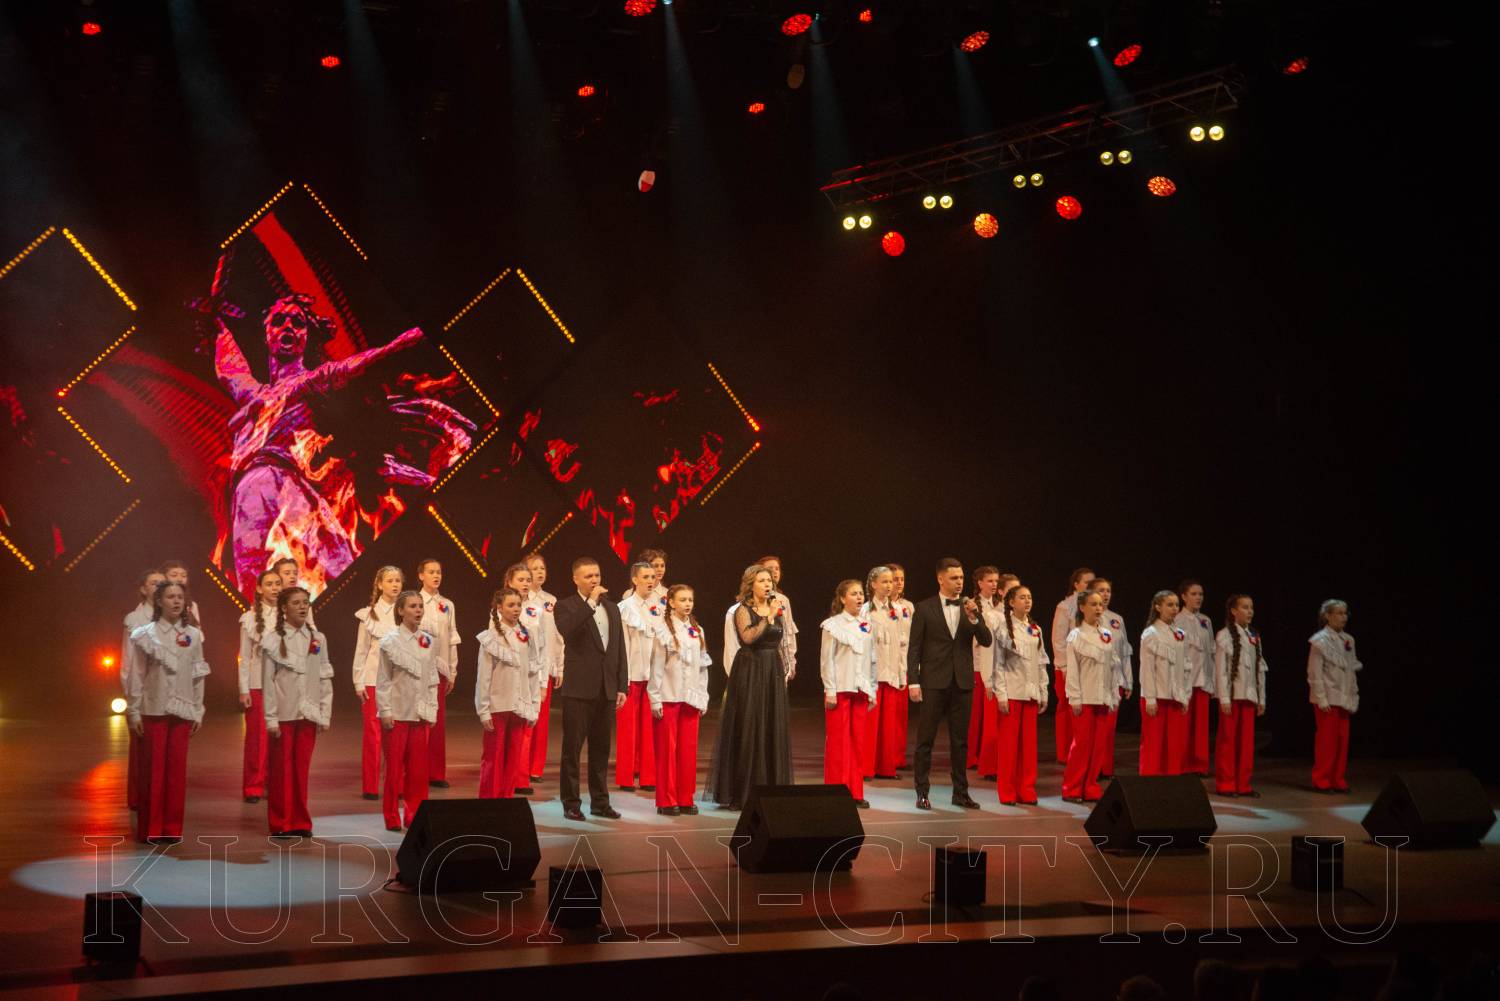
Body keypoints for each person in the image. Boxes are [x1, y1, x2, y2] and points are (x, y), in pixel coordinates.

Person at [211, 294, 432, 594]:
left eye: (297, 322)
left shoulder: (312, 380)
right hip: (255, 486)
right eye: (279, 321)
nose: (288, 327)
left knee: (340, 569)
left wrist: (408, 340)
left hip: (292, 486)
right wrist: (216, 321)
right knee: (261, 583)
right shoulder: (254, 394)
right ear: (267, 334)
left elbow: (358, 364)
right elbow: (229, 367)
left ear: (306, 336)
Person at [125, 581, 208, 844]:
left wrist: (198, 709)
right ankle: (151, 828)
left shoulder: (193, 634)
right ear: (159, 601)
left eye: (180, 597)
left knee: (176, 772)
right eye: (170, 597)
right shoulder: (145, 634)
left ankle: (171, 829)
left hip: (182, 709)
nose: (176, 601)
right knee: (154, 772)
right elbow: (137, 674)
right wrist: (133, 711)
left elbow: (198, 674)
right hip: (154, 708)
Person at [908, 557, 992, 810]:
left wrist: (975, 618)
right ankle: (922, 792)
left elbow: (986, 640)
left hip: (962, 682)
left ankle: (961, 793)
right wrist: (913, 681)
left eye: (962, 578)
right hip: (933, 681)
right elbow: (914, 648)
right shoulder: (924, 608)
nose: (959, 582)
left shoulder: (970, 606)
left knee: (960, 741)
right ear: (940, 579)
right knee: (925, 740)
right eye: (954, 578)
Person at [707, 564, 794, 810]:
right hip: (750, 670)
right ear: (750, 585)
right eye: (762, 581)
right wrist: (768, 616)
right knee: (750, 726)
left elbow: (780, 640)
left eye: (769, 581)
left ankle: (770, 791)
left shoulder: (777, 608)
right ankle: (743, 792)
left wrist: (786, 667)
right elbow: (748, 637)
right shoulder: (742, 610)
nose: (767, 585)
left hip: (772, 670)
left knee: (770, 726)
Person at [552, 557, 628, 821]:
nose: (594, 580)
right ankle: (571, 803)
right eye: (588, 576)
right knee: (572, 751)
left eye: (597, 575)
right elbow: (568, 630)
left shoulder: (612, 608)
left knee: (601, 750)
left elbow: (618, 648)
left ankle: (600, 803)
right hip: (579, 689)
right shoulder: (566, 606)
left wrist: (621, 684)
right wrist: (591, 603)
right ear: (575, 579)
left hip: (606, 689)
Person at [260, 586, 332, 837]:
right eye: (296, 603)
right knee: (281, 771)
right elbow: (268, 681)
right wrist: (271, 717)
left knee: (301, 770)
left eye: (305, 602)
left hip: (307, 714)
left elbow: (324, 676)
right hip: (284, 714)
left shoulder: (317, 638)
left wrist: (324, 712)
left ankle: (300, 821)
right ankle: (280, 822)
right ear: (284, 608)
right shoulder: (273, 639)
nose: (302, 607)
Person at [375, 590, 439, 831]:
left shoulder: (428, 640)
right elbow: (383, 679)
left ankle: (415, 816)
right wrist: (385, 710)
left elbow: (431, 677)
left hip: (420, 714)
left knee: (418, 772)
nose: (418, 610)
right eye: (413, 606)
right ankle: (391, 816)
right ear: (401, 610)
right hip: (398, 713)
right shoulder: (390, 641)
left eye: (420, 606)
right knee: (393, 771)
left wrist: (432, 707)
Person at [649, 584, 712, 816]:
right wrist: (655, 698)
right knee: (667, 751)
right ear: (672, 603)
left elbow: (703, 666)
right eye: (683, 600)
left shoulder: (697, 630)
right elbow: (656, 666)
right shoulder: (663, 630)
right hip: (669, 696)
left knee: (688, 750)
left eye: (690, 600)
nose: (687, 604)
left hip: (691, 698)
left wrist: (703, 695)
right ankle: (667, 800)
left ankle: (686, 797)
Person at [475, 587, 540, 799]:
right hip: (498, 705)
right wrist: (483, 709)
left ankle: (507, 800)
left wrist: (534, 706)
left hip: (520, 706)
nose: (516, 609)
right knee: (493, 757)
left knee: (513, 759)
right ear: (499, 608)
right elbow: (484, 675)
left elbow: (532, 673)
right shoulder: (491, 637)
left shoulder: (527, 635)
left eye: (519, 605)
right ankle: (489, 802)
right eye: (511, 605)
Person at [821, 580, 878, 808]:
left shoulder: (866, 625)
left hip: (860, 690)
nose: (859, 597)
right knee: (839, 744)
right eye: (853, 594)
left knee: (857, 743)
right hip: (841, 690)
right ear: (843, 598)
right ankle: (837, 792)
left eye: (861, 593)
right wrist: (830, 690)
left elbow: (872, 659)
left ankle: (855, 791)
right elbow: (827, 660)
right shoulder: (832, 625)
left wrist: (872, 688)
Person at [992, 584, 1049, 805]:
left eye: (1029, 597)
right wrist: (1002, 695)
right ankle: (1007, 791)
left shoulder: (1035, 629)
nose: (1027, 601)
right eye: (1022, 597)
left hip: (1031, 694)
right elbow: (998, 664)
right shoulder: (1004, 629)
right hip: (1013, 693)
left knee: (1028, 747)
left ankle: (1026, 788)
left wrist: (1043, 691)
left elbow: (1041, 663)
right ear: (1011, 602)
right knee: (1008, 747)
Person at [1062, 589, 1118, 803]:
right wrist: (1075, 697)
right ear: (1082, 607)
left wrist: (1113, 694)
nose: (1098, 608)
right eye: (1093, 604)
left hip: (1102, 698)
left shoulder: (1107, 634)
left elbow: (1112, 668)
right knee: (1082, 745)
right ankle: (1072, 788)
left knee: (1098, 746)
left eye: (1100, 604)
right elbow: (1073, 670)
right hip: (1084, 698)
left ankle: (1090, 787)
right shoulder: (1076, 635)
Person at [351, 566, 402, 799]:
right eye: (390, 580)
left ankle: (396, 784)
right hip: (372, 680)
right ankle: (370, 786)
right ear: (380, 584)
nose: (395, 584)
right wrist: (358, 681)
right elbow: (361, 651)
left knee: (397, 735)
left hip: (398, 681)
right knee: (373, 735)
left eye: (398, 580)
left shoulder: (406, 611)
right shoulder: (368, 615)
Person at [1214, 594, 1268, 798]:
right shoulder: (1224, 635)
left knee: (1246, 743)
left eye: (1251, 607)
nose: (1250, 611)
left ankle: (1243, 784)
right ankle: (1226, 784)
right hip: (1232, 696)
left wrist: (1261, 698)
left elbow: (1260, 669)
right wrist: (1224, 698)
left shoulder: (1254, 636)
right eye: (1245, 607)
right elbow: (1221, 670)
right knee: (1228, 741)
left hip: (1249, 696)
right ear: (1233, 611)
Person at [121, 568, 165, 811]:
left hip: (167, 694)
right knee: (141, 750)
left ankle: (156, 799)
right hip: (142, 693)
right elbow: (129, 663)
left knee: (160, 755)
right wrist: (132, 701)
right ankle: (138, 798)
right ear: (143, 589)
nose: (159, 587)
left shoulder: (171, 617)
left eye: (162, 583)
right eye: (154, 583)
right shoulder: (135, 619)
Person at [237, 569, 282, 803]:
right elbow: (244, 657)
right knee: (257, 739)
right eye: (269, 584)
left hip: (284, 685)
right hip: (257, 684)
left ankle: (274, 784)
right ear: (259, 588)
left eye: (278, 583)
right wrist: (244, 688)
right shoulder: (250, 618)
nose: (274, 588)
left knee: (280, 738)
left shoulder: (289, 614)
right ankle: (253, 786)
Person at [616, 561, 662, 792]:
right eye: (645, 577)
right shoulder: (624, 607)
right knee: (627, 731)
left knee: (650, 730)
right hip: (631, 676)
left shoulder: (661, 606)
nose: (650, 581)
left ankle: (649, 777)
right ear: (635, 579)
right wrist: (622, 680)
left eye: (653, 577)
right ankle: (625, 777)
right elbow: (621, 645)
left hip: (653, 677)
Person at [415, 558, 459, 789]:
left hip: (439, 668)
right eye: (431, 572)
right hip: (417, 668)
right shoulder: (413, 601)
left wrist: (452, 670)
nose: (436, 576)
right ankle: (416, 771)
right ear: (421, 575)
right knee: (418, 720)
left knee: (437, 721)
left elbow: (452, 638)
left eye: (438, 572)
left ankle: (436, 773)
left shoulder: (447, 604)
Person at [1308, 599, 1360, 793]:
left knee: (1341, 741)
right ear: (1328, 616)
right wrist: (1321, 698)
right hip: (1328, 698)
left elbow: (1351, 670)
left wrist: (1353, 694)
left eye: (1345, 613)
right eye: (1339, 613)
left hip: (1344, 698)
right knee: (1327, 742)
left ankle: (1337, 779)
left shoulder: (1349, 640)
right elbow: (1314, 672)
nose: (1343, 617)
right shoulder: (1319, 641)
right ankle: (1321, 780)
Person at [1138, 590, 1190, 776]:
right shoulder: (1151, 633)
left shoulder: (1180, 634)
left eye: (1176, 605)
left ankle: (1172, 782)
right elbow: (1147, 668)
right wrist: (1150, 698)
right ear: (1158, 607)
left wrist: (1185, 695)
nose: (1175, 608)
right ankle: (1150, 782)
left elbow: (1185, 668)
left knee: (1175, 745)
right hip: (1156, 697)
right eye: (1170, 605)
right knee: (1153, 744)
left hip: (1175, 696)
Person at [863, 566, 906, 779]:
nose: (890, 585)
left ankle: (886, 768)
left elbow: (902, 643)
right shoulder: (865, 611)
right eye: (885, 581)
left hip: (891, 673)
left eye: (891, 581)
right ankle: (866, 768)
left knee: (889, 725)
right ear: (873, 584)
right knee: (870, 725)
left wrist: (902, 672)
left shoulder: (897, 610)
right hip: (872, 674)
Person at [524, 553, 562, 785]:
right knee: (524, 717)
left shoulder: (551, 600)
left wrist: (559, 666)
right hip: (525, 667)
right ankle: (520, 765)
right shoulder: (519, 599)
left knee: (542, 718)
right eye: (534, 568)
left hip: (545, 666)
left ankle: (535, 767)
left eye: (542, 568)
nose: (539, 572)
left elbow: (557, 636)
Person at [1050, 567, 1095, 763]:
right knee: (1067, 709)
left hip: (1088, 667)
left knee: (1085, 710)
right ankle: (1065, 752)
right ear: (1076, 585)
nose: (1091, 585)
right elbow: (1058, 639)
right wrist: (1064, 666)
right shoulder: (1065, 606)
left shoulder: (1095, 605)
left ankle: (1083, 751)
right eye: (1086, 582)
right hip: (1068, 667)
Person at [1092, 577, 1133, 779]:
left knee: (1109, 728)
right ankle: (1092, 768)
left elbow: (1125, 651)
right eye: (1101, 590)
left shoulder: (1117, 620)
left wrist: (1128, 680)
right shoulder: (1084, 620)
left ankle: (1105, 768)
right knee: (1095, 729)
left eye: (1108, 590)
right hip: (1094, 681)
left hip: (1114, 680)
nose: (1106, 594)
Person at [1175, 579, 1216, 776]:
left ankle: (1199, 765)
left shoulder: (1206, 621)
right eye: (1194, 594)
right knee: (1183, 725)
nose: (1198, 597)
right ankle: (1181, 765)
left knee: (1200, 726)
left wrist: (1212, 679)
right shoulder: (1177, 620)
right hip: (1185, 680)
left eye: (1200, 594)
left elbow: (1211, 652)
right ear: (1184, 597)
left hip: (1203, 679)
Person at [966, 566, 1003, 773]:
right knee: (975, 715)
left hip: (994, 666)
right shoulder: (973, 605)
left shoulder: (999, 606)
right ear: (980, 583)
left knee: (989, 717)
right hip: (976, 665)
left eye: (996, 581)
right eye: (990, 581)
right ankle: (971, 756)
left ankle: (986, 756)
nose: (994, 584)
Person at [888, 563, 915, 768]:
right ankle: (883, 759)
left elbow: (914, 637)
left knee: (899, 715)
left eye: (901, 579)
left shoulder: (908, 606)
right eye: (894, 579)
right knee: (885, 716)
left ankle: (897, 758)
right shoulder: (874, 607)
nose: (898, 583)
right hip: (885, 666)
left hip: (903, 664)